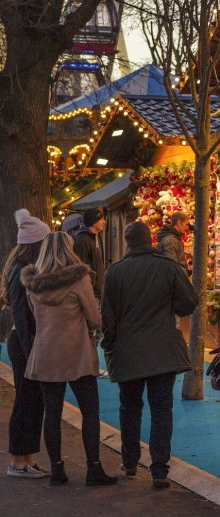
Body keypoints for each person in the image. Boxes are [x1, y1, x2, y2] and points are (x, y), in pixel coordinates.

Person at [101, 221, 199, 489]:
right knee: (161, 409)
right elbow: (189, 301)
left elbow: (107, 315)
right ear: (150, 240)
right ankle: (159, 469)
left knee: (129, 407)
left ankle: (130, 460)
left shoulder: (115, 272)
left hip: (128, 351)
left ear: (127, 243)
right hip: (162, 350)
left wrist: (109, 343)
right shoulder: (167, 267)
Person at [21, 232, 117, 486]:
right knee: (90, 411)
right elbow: (94, 318)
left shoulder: (33, 284)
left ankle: (57, 469)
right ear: (68, 250)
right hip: (77, 354)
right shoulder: (78, 279)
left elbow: (34, 317)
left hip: (45, 354)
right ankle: (93, 468)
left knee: (52, 413)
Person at [3, 209, 49, 478]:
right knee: (26, 400)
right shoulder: (22, 271)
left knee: (32, 400)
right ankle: (17, 461)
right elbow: (21, 316)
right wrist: (31, 350)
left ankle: (26, 458)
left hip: (25, 342)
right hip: (25, 344)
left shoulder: (20, 268)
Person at [72, 207, 106, 303]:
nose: (104, 222)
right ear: (94, 222)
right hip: (90, 293)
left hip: (96, 291)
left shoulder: (93, 238)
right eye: (101, 219)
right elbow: (80, 267)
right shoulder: (83, 240)